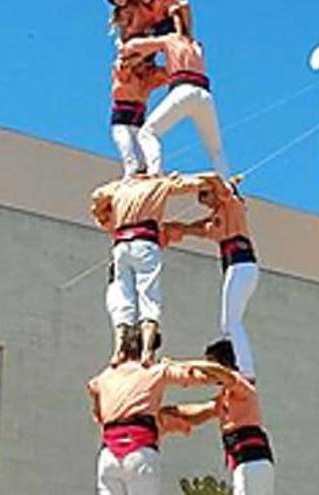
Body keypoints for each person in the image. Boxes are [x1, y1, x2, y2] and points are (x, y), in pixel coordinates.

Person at [90, 172, 221, 366]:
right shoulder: (157, 184)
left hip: (121, 246)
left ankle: (118, 349)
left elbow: (97, 198)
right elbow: (190, 184)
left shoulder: (119, 190)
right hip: (144, 243)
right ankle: (146, 350)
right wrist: (212, 180)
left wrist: (108, 201)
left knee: (124, 299)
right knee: (149, 296)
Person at [87, 326, 218, 495]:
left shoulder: (104, 377)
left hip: (109, 453)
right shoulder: (155, 371)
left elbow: (99, 417)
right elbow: (199, 378)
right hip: (140, 450)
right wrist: (224, 373)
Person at [165, 178, 259, 379]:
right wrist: (173, 228)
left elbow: (226, 189)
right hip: (238, 267)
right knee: (228, 323)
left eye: (205, 194)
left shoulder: (233, 207)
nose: (201, 199)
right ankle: (232, 363)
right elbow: (197, 228)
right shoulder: (217, 219)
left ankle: (245, 370)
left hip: (241, 265)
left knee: (231, 322)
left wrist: (223, 182)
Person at [120, 9, 227, 177]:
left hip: (183, 91)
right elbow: (183, 28)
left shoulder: (168, 40)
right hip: (205, 96)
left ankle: (155, 173)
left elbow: (132, 46)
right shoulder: (196, 44)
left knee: (147, 133)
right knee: (215, 148)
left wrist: (127, 50)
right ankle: (226, 182)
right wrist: (177, 16)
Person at [162, 340, 275, 495]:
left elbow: (220, 372)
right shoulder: (225, 398)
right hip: (243, 462)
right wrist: (166, 412)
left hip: (253, 461)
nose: (207, 375)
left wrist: (179, 365)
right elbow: (198, 412)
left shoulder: (242, 385)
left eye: (210, 365)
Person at [110, 56, 169, 177]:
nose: (143, 68)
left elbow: (171, 74)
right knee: (125, 146)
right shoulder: (125, 73)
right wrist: (139, 55)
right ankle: (130, 173)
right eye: (141, 65)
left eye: (146, 65)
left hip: (138, 119)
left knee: (144, 149)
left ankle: (151, 171)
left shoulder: (149, 78)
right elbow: (121, 65)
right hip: (121, 117)